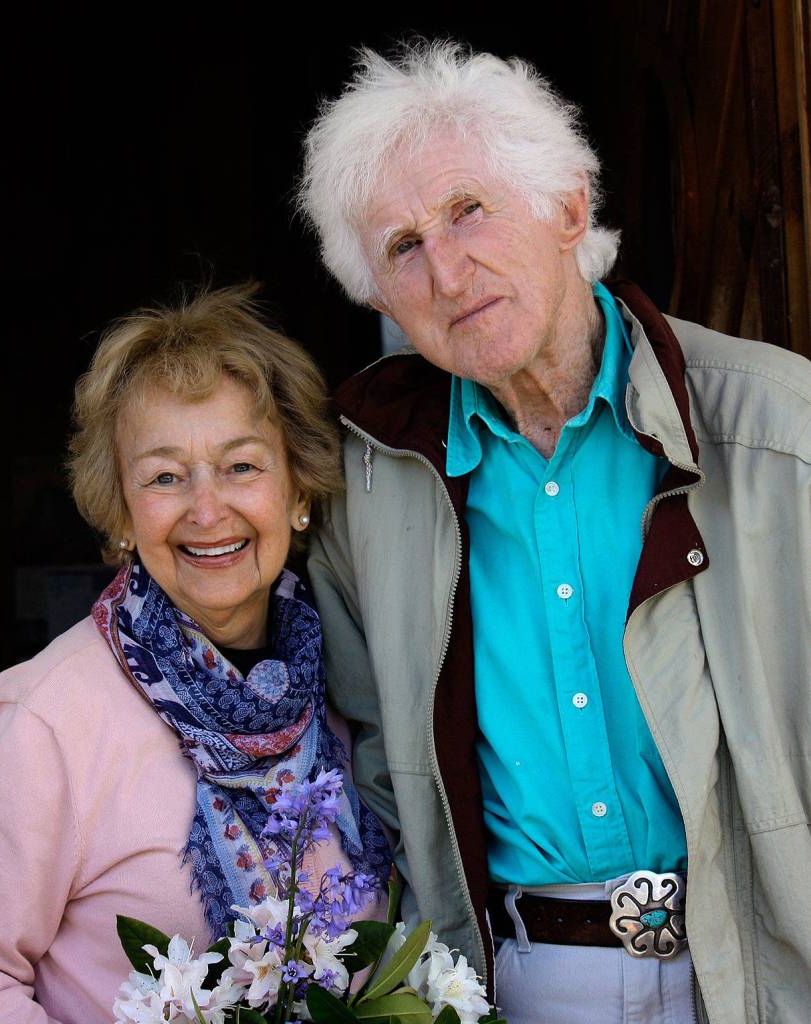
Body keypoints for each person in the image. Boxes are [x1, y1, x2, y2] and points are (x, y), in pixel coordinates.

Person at [298, 40, 811, 1024]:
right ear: (376, 296)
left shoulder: (780, 432)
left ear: (567, 209)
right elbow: (368, 774)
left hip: (757, 964)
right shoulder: (366, 483)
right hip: (524, 981)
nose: (447, 273)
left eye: (468, 210)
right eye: (402, 247)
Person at [0, 285, 390, 1024]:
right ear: (124, 512)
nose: (206, 508)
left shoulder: (346, 685)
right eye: (164, 476)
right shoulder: (48, 718)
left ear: (298, 492)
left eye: (242, 466)